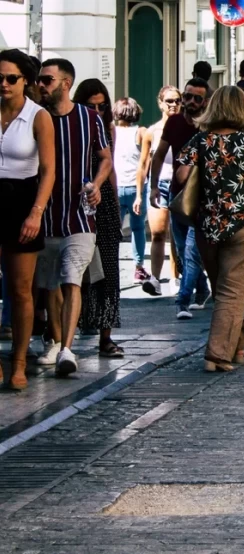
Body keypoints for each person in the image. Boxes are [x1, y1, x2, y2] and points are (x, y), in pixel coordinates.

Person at [176, 85, 244, 372]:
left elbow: (181, 175)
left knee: (222, 288)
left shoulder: (200, 140)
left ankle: (237, 345)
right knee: (232, 292)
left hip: (207, 227)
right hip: (242, 224)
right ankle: (216, 355)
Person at [34, 58, 111, 376]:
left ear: (66, 83)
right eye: (40, 80)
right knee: (50, 285)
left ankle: (67, 348)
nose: (41, 85)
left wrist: (98, 182)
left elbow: (105, 158)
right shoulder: (37, 118)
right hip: (45, 215)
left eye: (47, 80)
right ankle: (54, 342)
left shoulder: (90, 118)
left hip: (80, 216)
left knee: (71, 280)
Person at [0, 48, 55, 390]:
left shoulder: (38, 116)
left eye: (11, 78)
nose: (3, 84)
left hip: (22, 200)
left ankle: (19, 362)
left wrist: (36, 211)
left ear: (26, 81)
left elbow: (48, 170)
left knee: (20, 290)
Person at [149, 79, 212, 319]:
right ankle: (202, 289)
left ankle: (182, 300)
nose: (190, 102)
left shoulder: (208, 124)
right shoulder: (174, 122)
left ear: (205, 102)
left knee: (191, 251)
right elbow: (159, 154)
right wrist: (154, 186)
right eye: (188, 96)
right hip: (177, 194)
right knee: (182, 248)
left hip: (203, 196)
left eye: (197, 98)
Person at [74, 79, 124, 357]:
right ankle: (64, 332)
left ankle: (106, 336)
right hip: (74, 198)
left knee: (108, 271)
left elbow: (111, 167)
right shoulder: (70, 126)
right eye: (90, 105)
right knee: (74, 270)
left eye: (102, 106)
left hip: (102, 200)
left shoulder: (108, 129)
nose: (97, 110)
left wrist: (115, 206)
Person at [136, 85, 179, 289]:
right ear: (160, 103)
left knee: (177, 235)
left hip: (181, 184)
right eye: (169, 101)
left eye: (177, 100)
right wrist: (139, 193)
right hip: (159, 184)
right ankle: (155, 278)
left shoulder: (187, 127)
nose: (174, 105)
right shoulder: (152, 132)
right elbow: (144, 164)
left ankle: (175, 277)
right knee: (158, 232)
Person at [111, 97, 149, 293]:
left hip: (115, 186)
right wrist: (141, 193)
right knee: (137, 229)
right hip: (135, 187)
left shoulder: (111, 130)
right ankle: (138, 267)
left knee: (112, 232)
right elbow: (144, 163)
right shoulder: (141, 132)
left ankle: (112, 269)